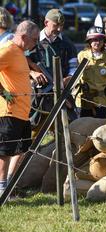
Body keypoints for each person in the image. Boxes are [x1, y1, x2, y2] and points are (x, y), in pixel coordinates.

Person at [0, 20, 40, 196]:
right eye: (34, 40)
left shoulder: (20, 53)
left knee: (22, 149)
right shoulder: (8, 50)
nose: (36, 44)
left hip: (23, 113)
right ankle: (1, 188)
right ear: (24, 37)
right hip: (9, 111)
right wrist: (3, 92)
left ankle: (9, 186)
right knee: (5, 152)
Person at [27, 9, 78, 136]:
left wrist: (69, 77)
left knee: (66, 133)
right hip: (37, 96)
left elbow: (74, 67)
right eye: (56, 25)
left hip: (61, 93)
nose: (60, 29)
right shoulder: (33, 40)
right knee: (31, 135)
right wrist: (33, 73)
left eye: (62, 26)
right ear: (46, 22)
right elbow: (20, 62)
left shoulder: (67, 44)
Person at [75, 26, 106, 119]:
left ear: (104, 41)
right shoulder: (81, 56)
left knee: (100, 129)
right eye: (94, 39)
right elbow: (75, 78)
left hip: (103, 101)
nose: (97, 42)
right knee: (83, 128)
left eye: (100, 39)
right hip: (84, 100)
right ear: (89, 41)